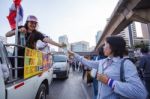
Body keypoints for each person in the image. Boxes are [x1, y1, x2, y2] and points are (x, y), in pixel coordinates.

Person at [68, 36, 147, 99]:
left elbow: (140, 93)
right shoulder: (103, 61)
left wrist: (109, 81)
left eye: (105, 44)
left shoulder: (126, 64)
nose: (103, 47)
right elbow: (86, 62)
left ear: (113, 47)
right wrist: (74, 54)